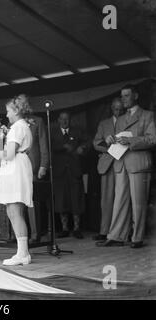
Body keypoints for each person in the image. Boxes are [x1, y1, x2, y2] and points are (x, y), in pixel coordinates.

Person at [97, 84, 156, 248]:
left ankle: (137, 238)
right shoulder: (121, 118)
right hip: (120, 162)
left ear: (135, 96)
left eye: (127, 96)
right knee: (119, 201)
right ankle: (116, 236)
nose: (124, 99)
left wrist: (130, 141)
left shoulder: (148, 115)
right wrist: (110, 140)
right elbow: (118, 139)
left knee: (138, 202)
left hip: (138, 163)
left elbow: (152, 139)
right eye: (122, 96)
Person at [0, 98, 34, 266]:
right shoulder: (20, 127)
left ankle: (23, 254)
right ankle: (22, 252)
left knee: (14, 211)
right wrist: (1, 169)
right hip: (15, 168)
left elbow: (10, 153)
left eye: (8, 111)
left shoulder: (18, 128)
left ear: (16, 111)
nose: (6, 114)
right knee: (13, 211)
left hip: (16, 169)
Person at [15, 94, 48, 243]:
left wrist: (43, 165)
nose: (22, 106)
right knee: (17, 201)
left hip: (33, 167)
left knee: (32, 202)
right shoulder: (13, 123)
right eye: (18, 103)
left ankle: (35, 235)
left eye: (24, 103)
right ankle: (20, 235)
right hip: (16, 167)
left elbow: (43, 144)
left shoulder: (38, 121)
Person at [51, 112, 89, 239]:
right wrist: (62, 146)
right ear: (58, 120)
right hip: (59, 171)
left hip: (74, 170)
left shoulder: (77, 131)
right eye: (62, 119)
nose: (64, 121)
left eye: (67, 119)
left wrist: (82, 148)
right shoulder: (53, 132)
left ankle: (77, 228)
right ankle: (64, 228)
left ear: (70, 120)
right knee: (62, 200)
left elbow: (87, 143)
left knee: (76, 199)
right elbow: (50, 147)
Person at [93, 98, 124, 241]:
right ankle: (104, 231)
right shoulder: (103, 123)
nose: (118, 112)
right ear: (112, 108)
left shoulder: (128, 121)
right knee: (106, 199)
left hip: (123, 163)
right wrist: (107, 143)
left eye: (121, 109)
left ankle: (122, 231)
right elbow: (95, 143)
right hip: (107, 164)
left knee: (122, 199)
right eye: (116, 109)